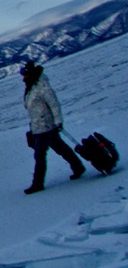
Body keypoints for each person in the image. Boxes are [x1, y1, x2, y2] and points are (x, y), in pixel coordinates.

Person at [20, 60, 85, 194]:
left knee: (41, 155)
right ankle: (78, 167)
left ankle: (37, 183)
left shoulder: (42, 87)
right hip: (38, 127)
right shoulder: (31, 88)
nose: (23, 77)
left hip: (48, 126)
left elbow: (54, 105)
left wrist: (58, 122)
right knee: (59, 150)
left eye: (24, 74)